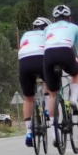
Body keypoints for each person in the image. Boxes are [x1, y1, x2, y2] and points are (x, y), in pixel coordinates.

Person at [43, 4, 78, 124]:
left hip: (48, 55)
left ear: (54, 20)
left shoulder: (47, 29)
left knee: (52, 95)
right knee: (76, 73)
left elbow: (43, 48)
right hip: (66, 52)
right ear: (69, 18)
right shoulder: (74, 27)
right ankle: (73, 99)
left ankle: (54, 135)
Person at [18, 16, 53, 147]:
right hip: (41, 59)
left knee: (28, 98)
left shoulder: (25, 35)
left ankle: (28, 132)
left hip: (24, 63)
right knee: (50, 83)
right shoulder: (48, 34)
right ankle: (48, 110)